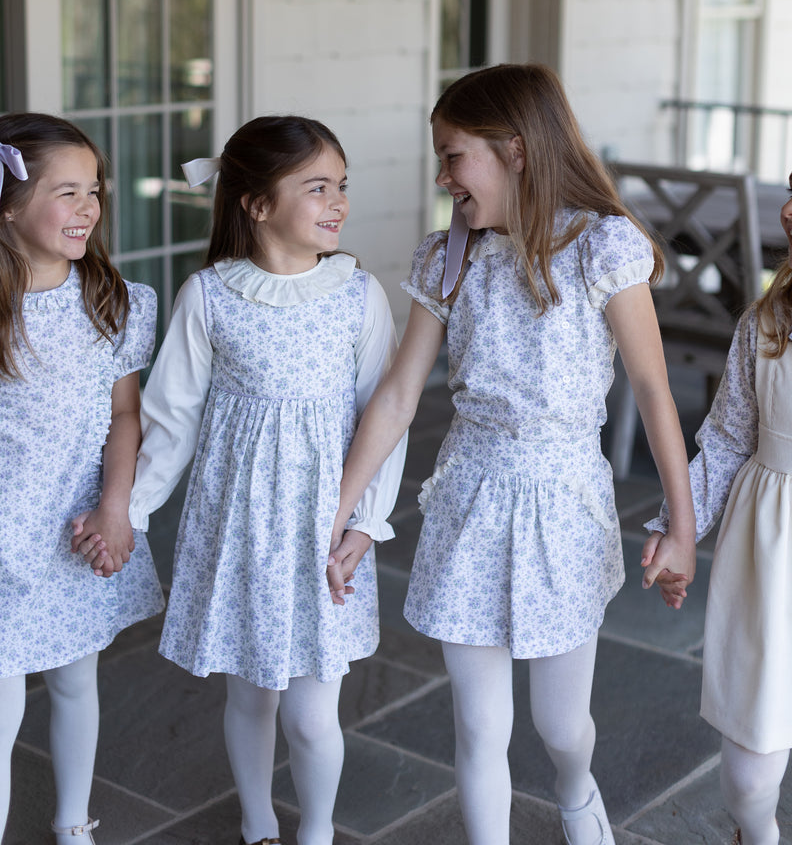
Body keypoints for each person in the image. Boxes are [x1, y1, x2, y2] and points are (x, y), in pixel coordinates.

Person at [327, 64, 696, 845]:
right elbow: (396, 397)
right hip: (471, 497)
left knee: (561, 725)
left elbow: (654, 389)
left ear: (516, 151)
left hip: (564, 503)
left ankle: (573, 787)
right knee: (478, 725)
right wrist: (343, 511)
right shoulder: (446, 258)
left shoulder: (602, 247)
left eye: (453, 154)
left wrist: (681, 526)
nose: (442, 174)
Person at [126, 115, 407, 845]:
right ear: (255, 204)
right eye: (316, 188)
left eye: (341, 186)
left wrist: (366, 522)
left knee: (313, 715)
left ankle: (314, 831)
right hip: (240, 530)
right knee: (250, 695)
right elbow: (171, 419)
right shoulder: (211, 298)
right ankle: (257, 822)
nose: (337, 202)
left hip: (325, 535)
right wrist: (131, 510)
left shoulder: (358, 296)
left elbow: (387, 417)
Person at [0, 113, 164, 845]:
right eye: (66, 193)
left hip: (74, 526)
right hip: (3, 533)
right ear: (7, 203)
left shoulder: (111, 302)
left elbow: (125, 416)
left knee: (74, 681)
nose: (89, 208)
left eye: (93, 190)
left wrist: (115, 507)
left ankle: (73, 825)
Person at [646, 150, 792, 845]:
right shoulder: (764, 327)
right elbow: (730, 443)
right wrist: (678, 528)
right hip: (770, 557)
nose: (789, 211)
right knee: (747, 775)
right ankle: (755, 832)